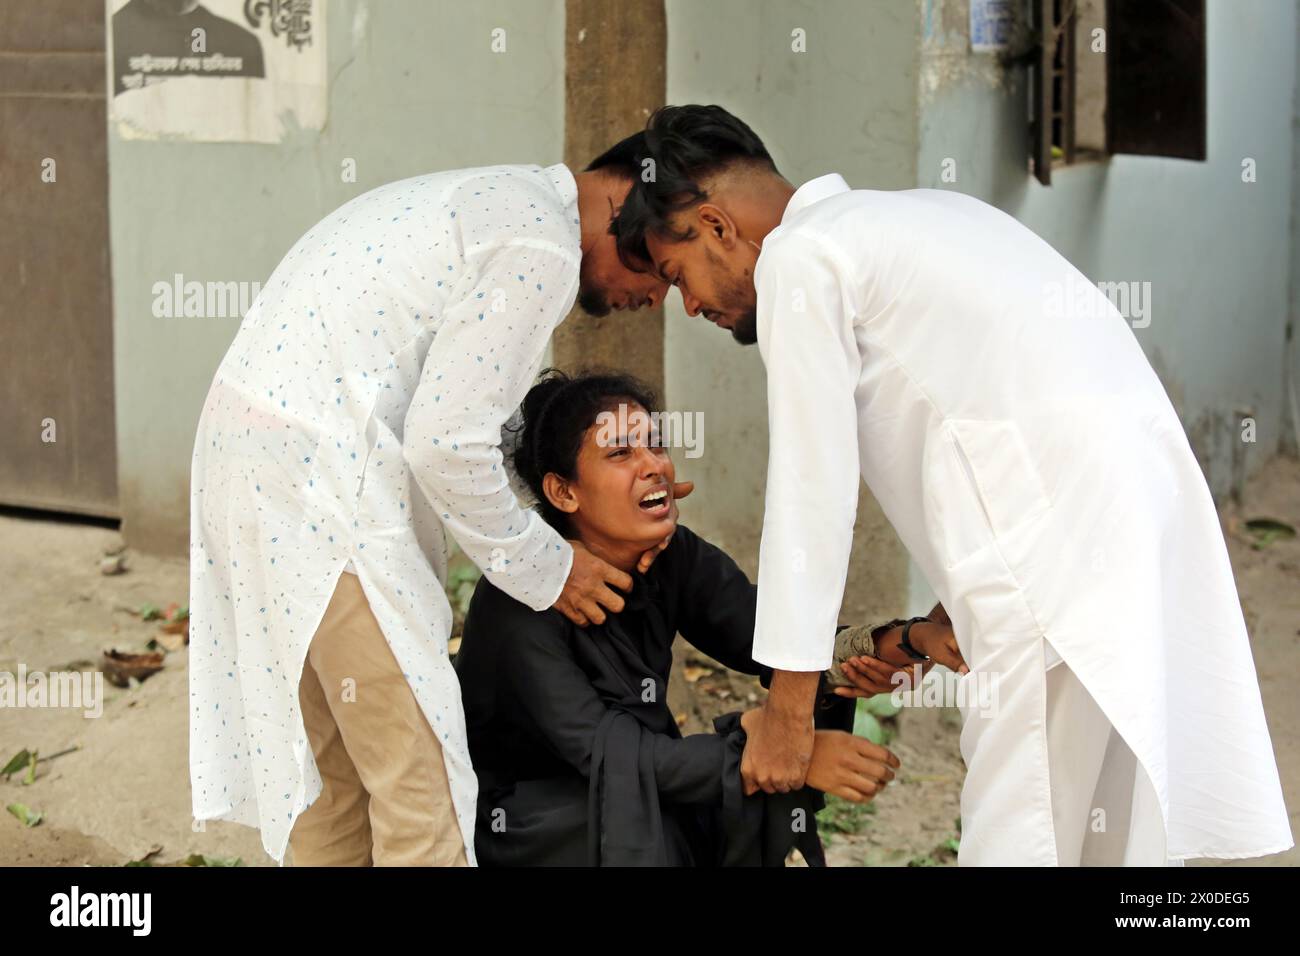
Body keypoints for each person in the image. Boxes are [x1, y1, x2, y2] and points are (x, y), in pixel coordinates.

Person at [610, 105, 1293, 865]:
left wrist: (788, 711)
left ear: (716, 225)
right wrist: (955, 598)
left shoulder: (802, 259)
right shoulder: (930, 215)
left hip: (1053, 558)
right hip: (1129, 521)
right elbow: (999, 402)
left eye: (678, 275)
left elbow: (812, 491)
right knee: (1104, 832)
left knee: (1024, 827)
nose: (693, 305)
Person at [189, 146, 680, 866]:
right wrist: (550, 564)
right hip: (322, 493)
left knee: (335, 783)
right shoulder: (539, 242)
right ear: (619, 208)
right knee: (423, 795)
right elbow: (448, 443)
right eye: (659, 268)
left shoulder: (497, 194)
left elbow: (468, 415)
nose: (659, 296)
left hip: (250, 468)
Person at [455, 370, 912, 866]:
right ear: (564, 493)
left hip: (632, 778)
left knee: (718, 790)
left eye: (656, 446)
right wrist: (774, 752)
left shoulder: (672, 556)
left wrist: (891, 645)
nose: (653, 466)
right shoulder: (518, 599)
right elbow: (603, 753)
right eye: (620, 454)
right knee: (670, 809)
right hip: (533, 817)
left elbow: (769, 637)